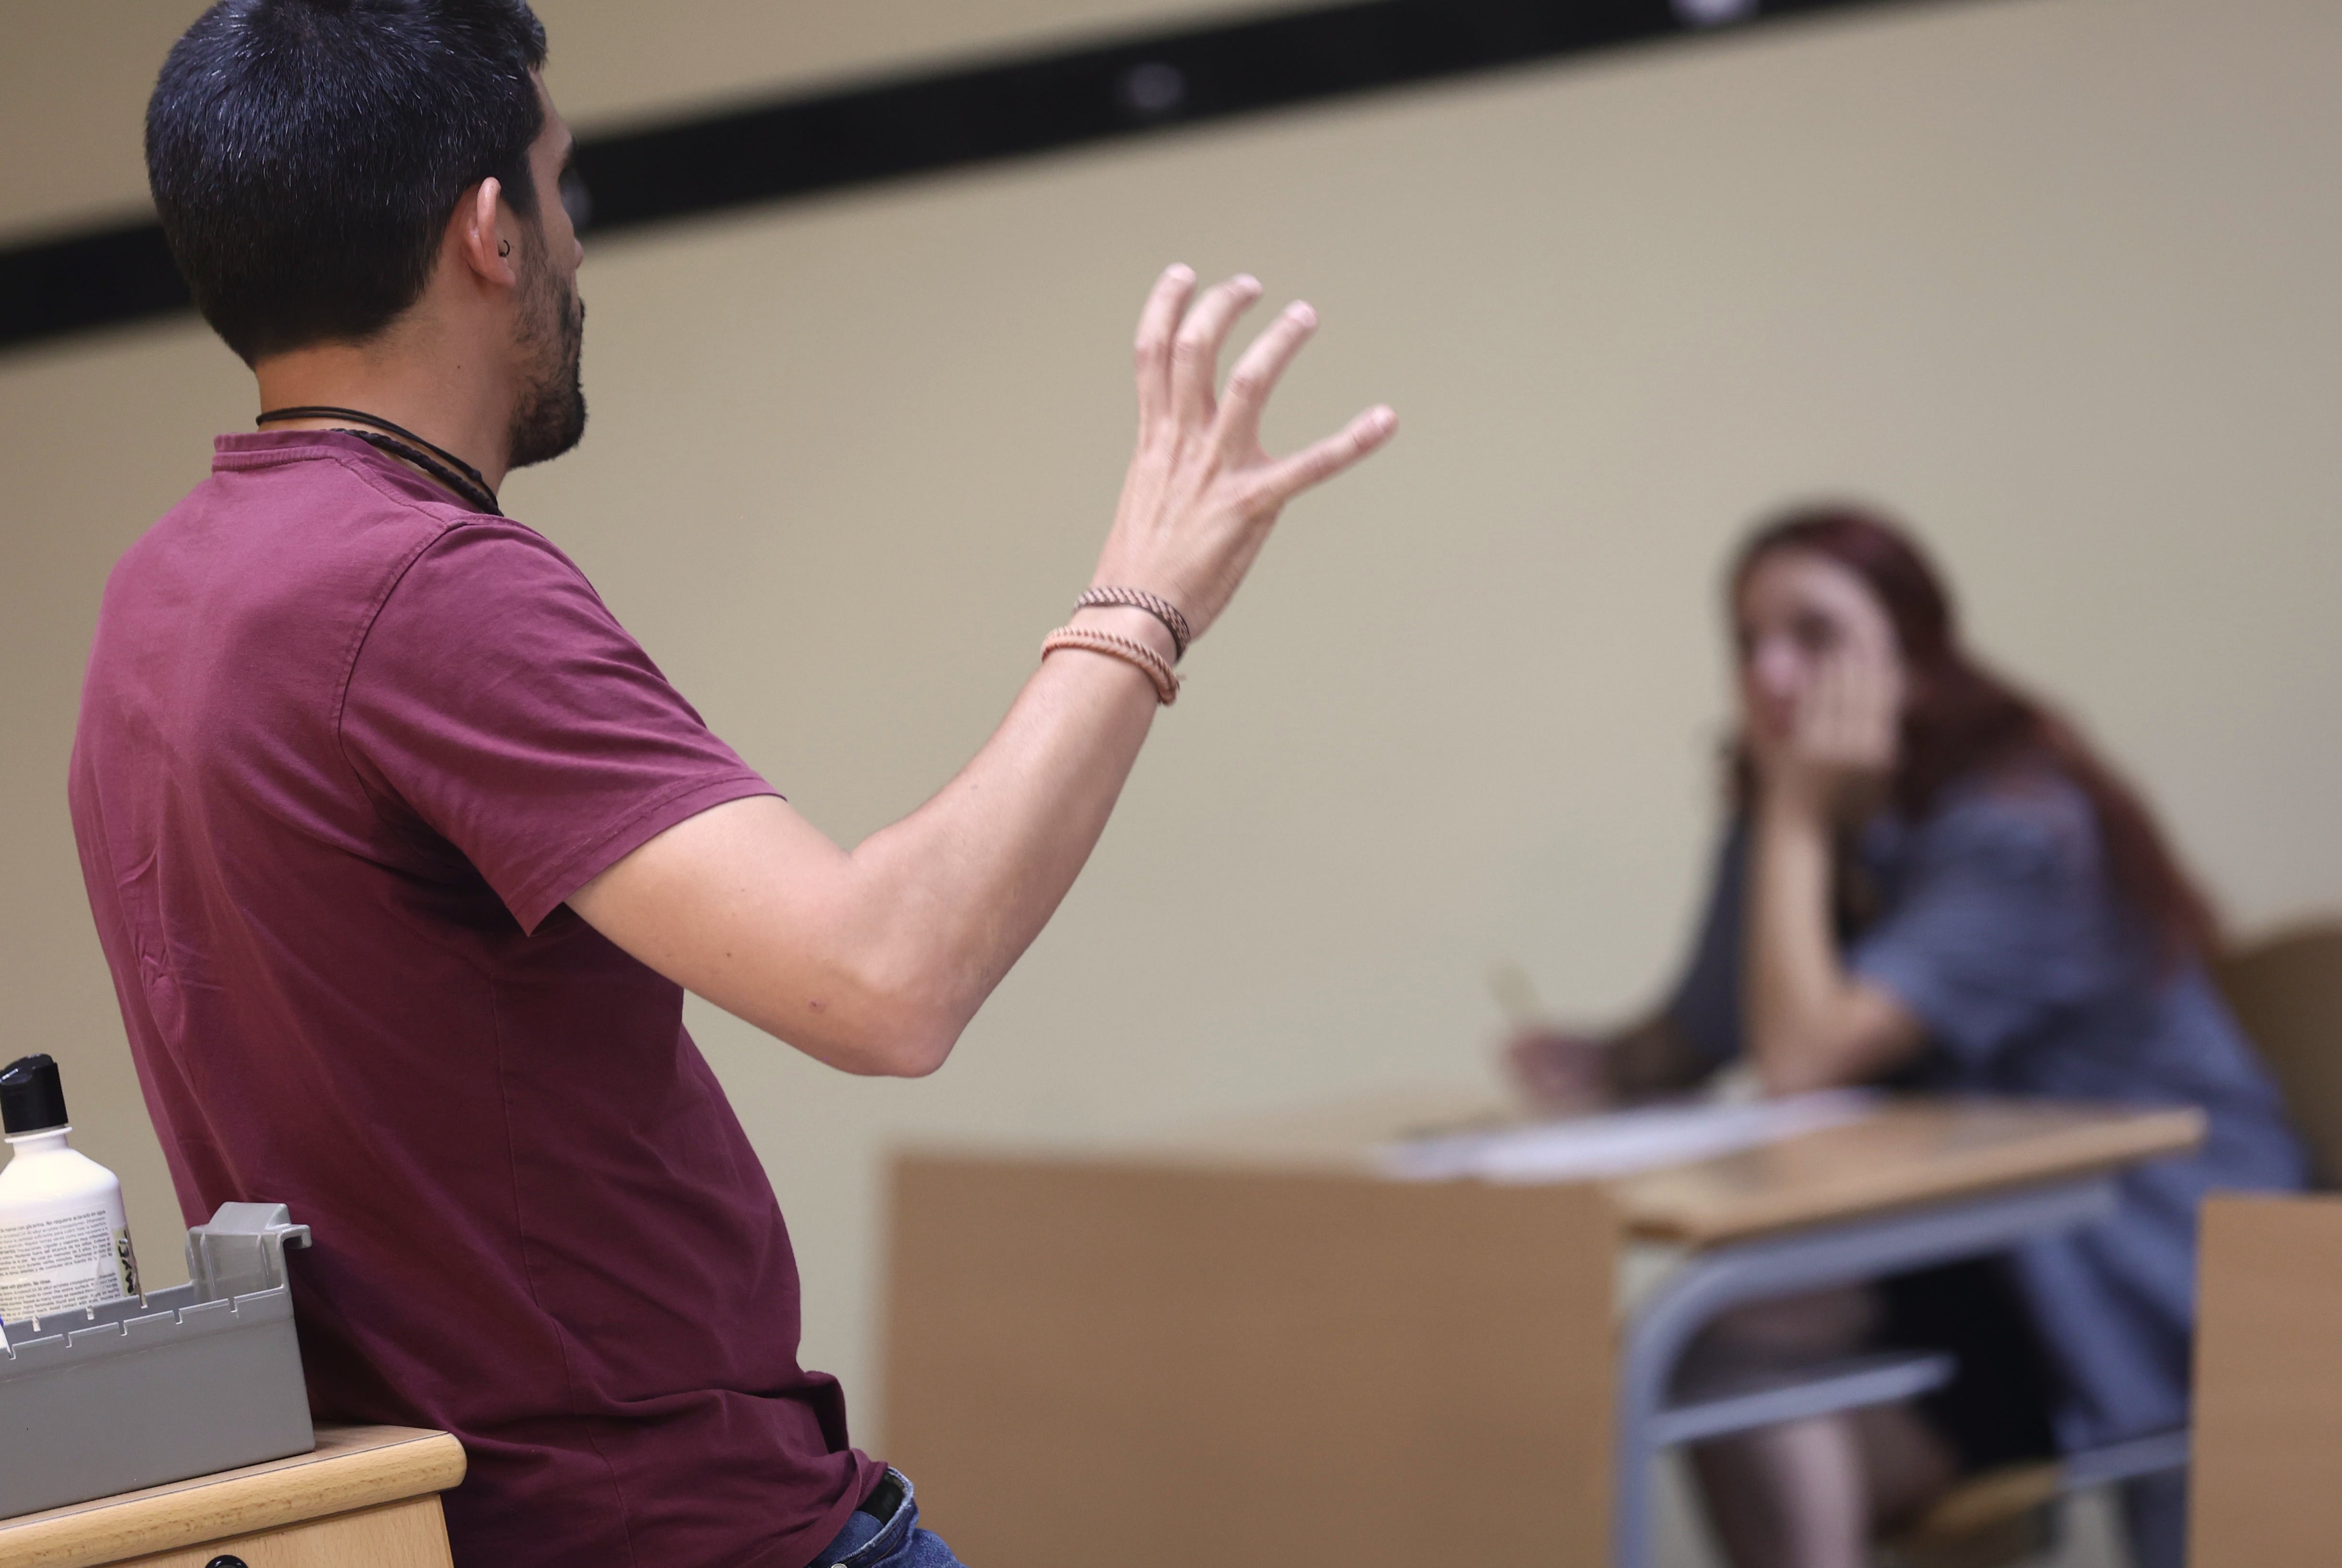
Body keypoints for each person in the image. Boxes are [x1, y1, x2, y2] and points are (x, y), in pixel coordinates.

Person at [73, 4, 1394, 1566]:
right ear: (492, 232)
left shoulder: (159, 599)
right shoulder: (421, 595)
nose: (577, 252)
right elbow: (887, 984)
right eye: (564, 193)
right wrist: (1139, 604)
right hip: (679, 1534)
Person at [1509, 506, 2308, 1568]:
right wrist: (1603, 1062)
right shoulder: (1785, 823)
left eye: (1815, 636)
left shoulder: (2018, 826)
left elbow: (1799, 1062)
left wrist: (1792, 815)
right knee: (1712, 1354)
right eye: (1748, 645)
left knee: (1716, 1329)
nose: (1774, 675)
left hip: (2131, 1261)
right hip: (1968, 1249)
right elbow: (1700, 1033)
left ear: (1915, 660)